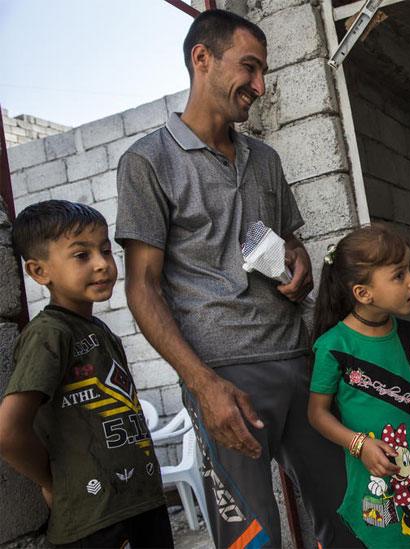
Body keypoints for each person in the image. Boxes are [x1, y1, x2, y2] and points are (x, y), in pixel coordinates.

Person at [115, 9, 354, 548]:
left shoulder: (264, 159)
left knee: (347, 513)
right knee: (251, 536)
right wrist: (204, 387)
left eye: (263, 72)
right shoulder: (148, 162)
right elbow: (142, 287)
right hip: (225, 378)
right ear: (202, 59)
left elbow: (289, 242)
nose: (259, 86)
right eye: (249, 68)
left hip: (298, 361)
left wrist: (300, 263)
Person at [0, 200, 172, 548]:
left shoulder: (99, 331)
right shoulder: (50, 334)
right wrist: (52, 481)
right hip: (93, 522)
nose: (102, 265)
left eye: (106, 251)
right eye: (82, 256)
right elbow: (8, 432)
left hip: (140, 504)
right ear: (38, 271)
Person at [307, 224, 410, 548]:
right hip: (373, 468)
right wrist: (359, 444)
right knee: (386, 531)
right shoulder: (334, 346)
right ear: (363, 293)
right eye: (399, 275)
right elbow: (317, 414)